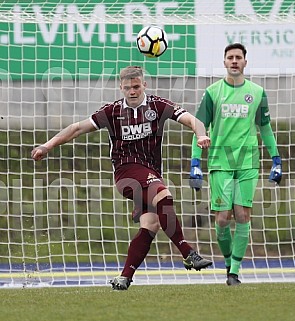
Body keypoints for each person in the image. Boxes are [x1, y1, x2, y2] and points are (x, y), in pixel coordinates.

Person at [32, 65, 212, 290]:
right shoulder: (112, 112)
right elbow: (77, 128)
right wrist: (47, 146)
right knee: (165, 198)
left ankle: (125, 276)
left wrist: (201, 134)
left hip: (151, 174)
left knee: (152, 224)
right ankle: (188, 252)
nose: (132, 91)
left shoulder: (158, 106)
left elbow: (192, 120)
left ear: (144, 85)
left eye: (136, 86)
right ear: (121, 88)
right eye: (127, 88)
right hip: (126, 174)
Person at [189, 43, 282, 286]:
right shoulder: (212, 92)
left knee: (242, 215)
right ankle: (229, 261)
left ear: (245, 62)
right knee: (222, 219)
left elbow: (265, 128)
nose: (234, 61)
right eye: (230, 57)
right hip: (220, 161)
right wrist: (195, 161)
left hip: (248, 161)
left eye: (238, 57)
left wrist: (276, 159)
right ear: (224, 62)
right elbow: (199, 127)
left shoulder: (258, 93)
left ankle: (234, 273)